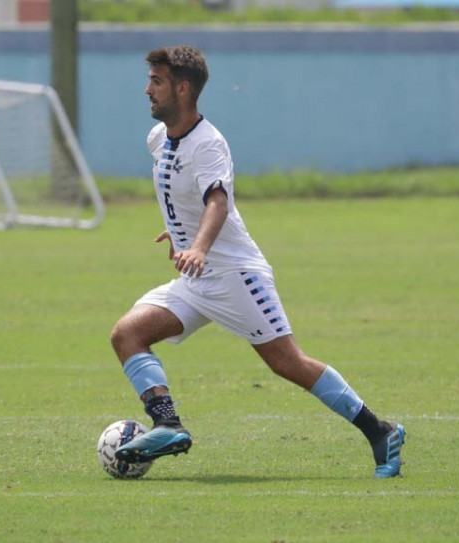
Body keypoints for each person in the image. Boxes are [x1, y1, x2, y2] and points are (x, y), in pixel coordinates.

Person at [110, 46, 404, 478]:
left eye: (156, 81)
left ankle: (381, 431)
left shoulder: (209, 144)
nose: (147, 90)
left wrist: (200, 247)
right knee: (127, 334)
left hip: (235, 275)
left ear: (183, 87)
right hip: (196, 279)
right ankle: (167, 423)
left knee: (287, 363)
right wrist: (177, 234)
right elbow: (182, 197)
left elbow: (217, 202)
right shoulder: (158, 139)